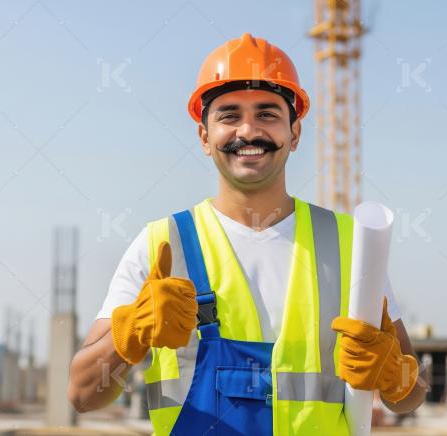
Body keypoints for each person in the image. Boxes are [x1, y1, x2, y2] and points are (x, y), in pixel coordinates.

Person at [67, 32, 427, 435]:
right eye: (229, 115)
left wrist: (396, 374)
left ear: (295, 134)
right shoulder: (162, 246)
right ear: (205, 137)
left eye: (268, 114)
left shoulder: (350, 245)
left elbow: (410, 398)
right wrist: (130, 333)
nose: (248, 131)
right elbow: (82, 394)